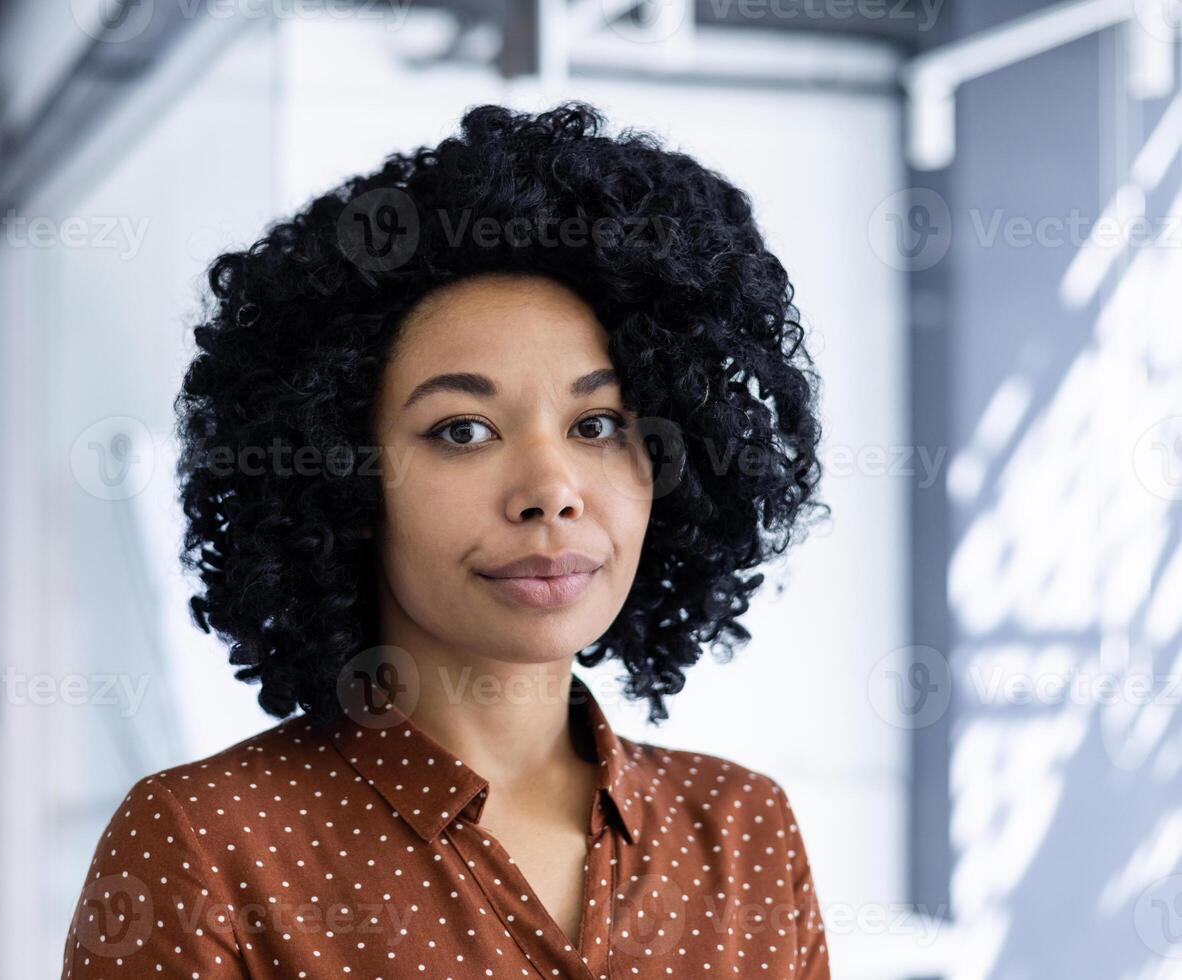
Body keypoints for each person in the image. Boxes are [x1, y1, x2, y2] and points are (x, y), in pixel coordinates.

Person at [61, 100, 831, 979]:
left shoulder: (744, 834)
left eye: (599, 425)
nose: (551, 492)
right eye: (462, 431)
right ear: (346, 478)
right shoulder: (209, 846)